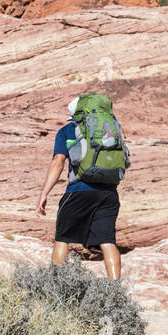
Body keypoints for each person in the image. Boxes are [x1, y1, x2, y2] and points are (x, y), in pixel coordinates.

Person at [37, 93, 128, 280]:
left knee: (63, 238)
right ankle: (115, 287)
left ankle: (55, 284)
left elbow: (58, 161)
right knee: (107, 241)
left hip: (78, 191)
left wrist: (44, 193)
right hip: (108, 193)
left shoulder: (67, 131)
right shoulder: (111, 129)